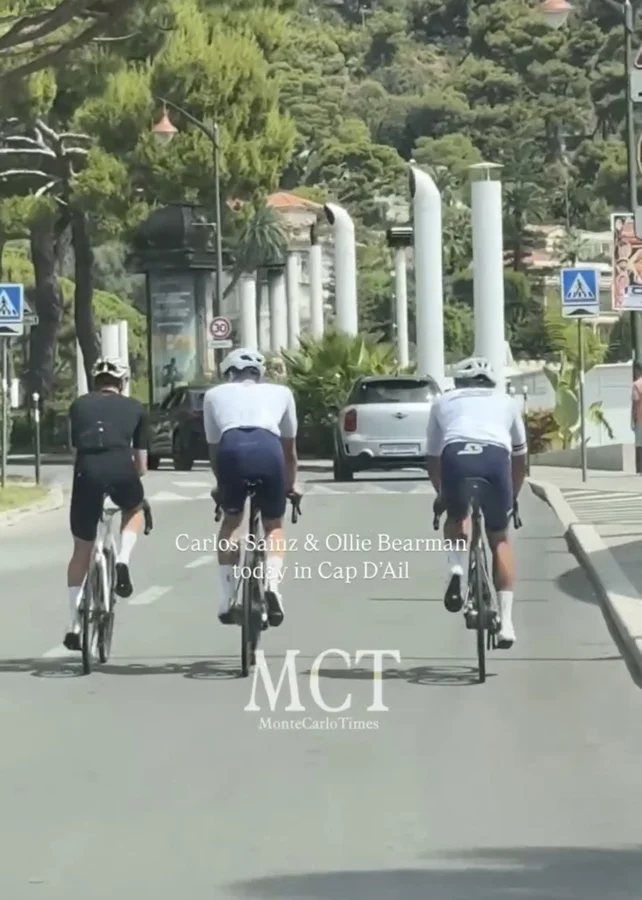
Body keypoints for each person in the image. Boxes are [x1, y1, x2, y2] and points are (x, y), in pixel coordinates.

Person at [425, 356, 527, 648]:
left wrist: (442, 495)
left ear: (458, 382)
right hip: (494, 460)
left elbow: (433, 458)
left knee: (456, 519)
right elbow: (519, 458)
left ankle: (456, 569)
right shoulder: (506, 402)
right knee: (501, 541)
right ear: (491, 383)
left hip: (455, 456)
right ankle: (506, 625)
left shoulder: (443, 402)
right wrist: (513, 497)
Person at [203, 348, 300, 627]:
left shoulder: (213, 395)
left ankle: (227, 598)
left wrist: (221, 486)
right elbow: (290, 451)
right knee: (274, 525)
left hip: (231, 451)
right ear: (259, 374)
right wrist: (290, 485)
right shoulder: (281, 393)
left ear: (228, 373)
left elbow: (213, 449)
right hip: (269, 451)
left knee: (231, 523)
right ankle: (272, 586)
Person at [64, 357, 148, 650]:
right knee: (134, 508)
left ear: (95, 381)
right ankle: (123, 559)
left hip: (87, 472)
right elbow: (142, 462)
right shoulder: (135, 408)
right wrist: (131, 477)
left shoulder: (78, 406)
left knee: (81, 548)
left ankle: (74, 621)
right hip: (121, 469)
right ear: (122, 383)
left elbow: (75, 449)